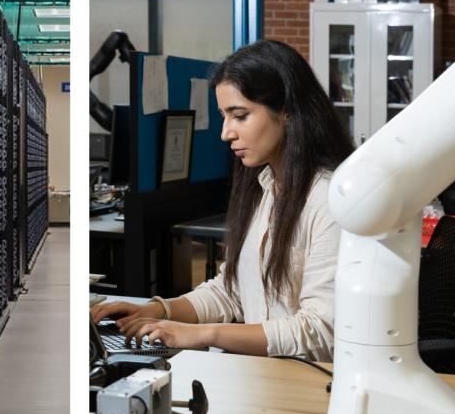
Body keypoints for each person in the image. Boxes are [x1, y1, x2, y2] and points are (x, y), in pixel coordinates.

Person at [91, 39, 354, 362]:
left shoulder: (329, 201)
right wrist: (157, 309)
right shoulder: (264, 188)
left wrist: (203, 334)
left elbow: (321, 330)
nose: (225, 133)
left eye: (240, 116)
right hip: (264, 377)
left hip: (307, 387)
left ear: (287, 111)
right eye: (223, 117)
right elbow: (232, 291)